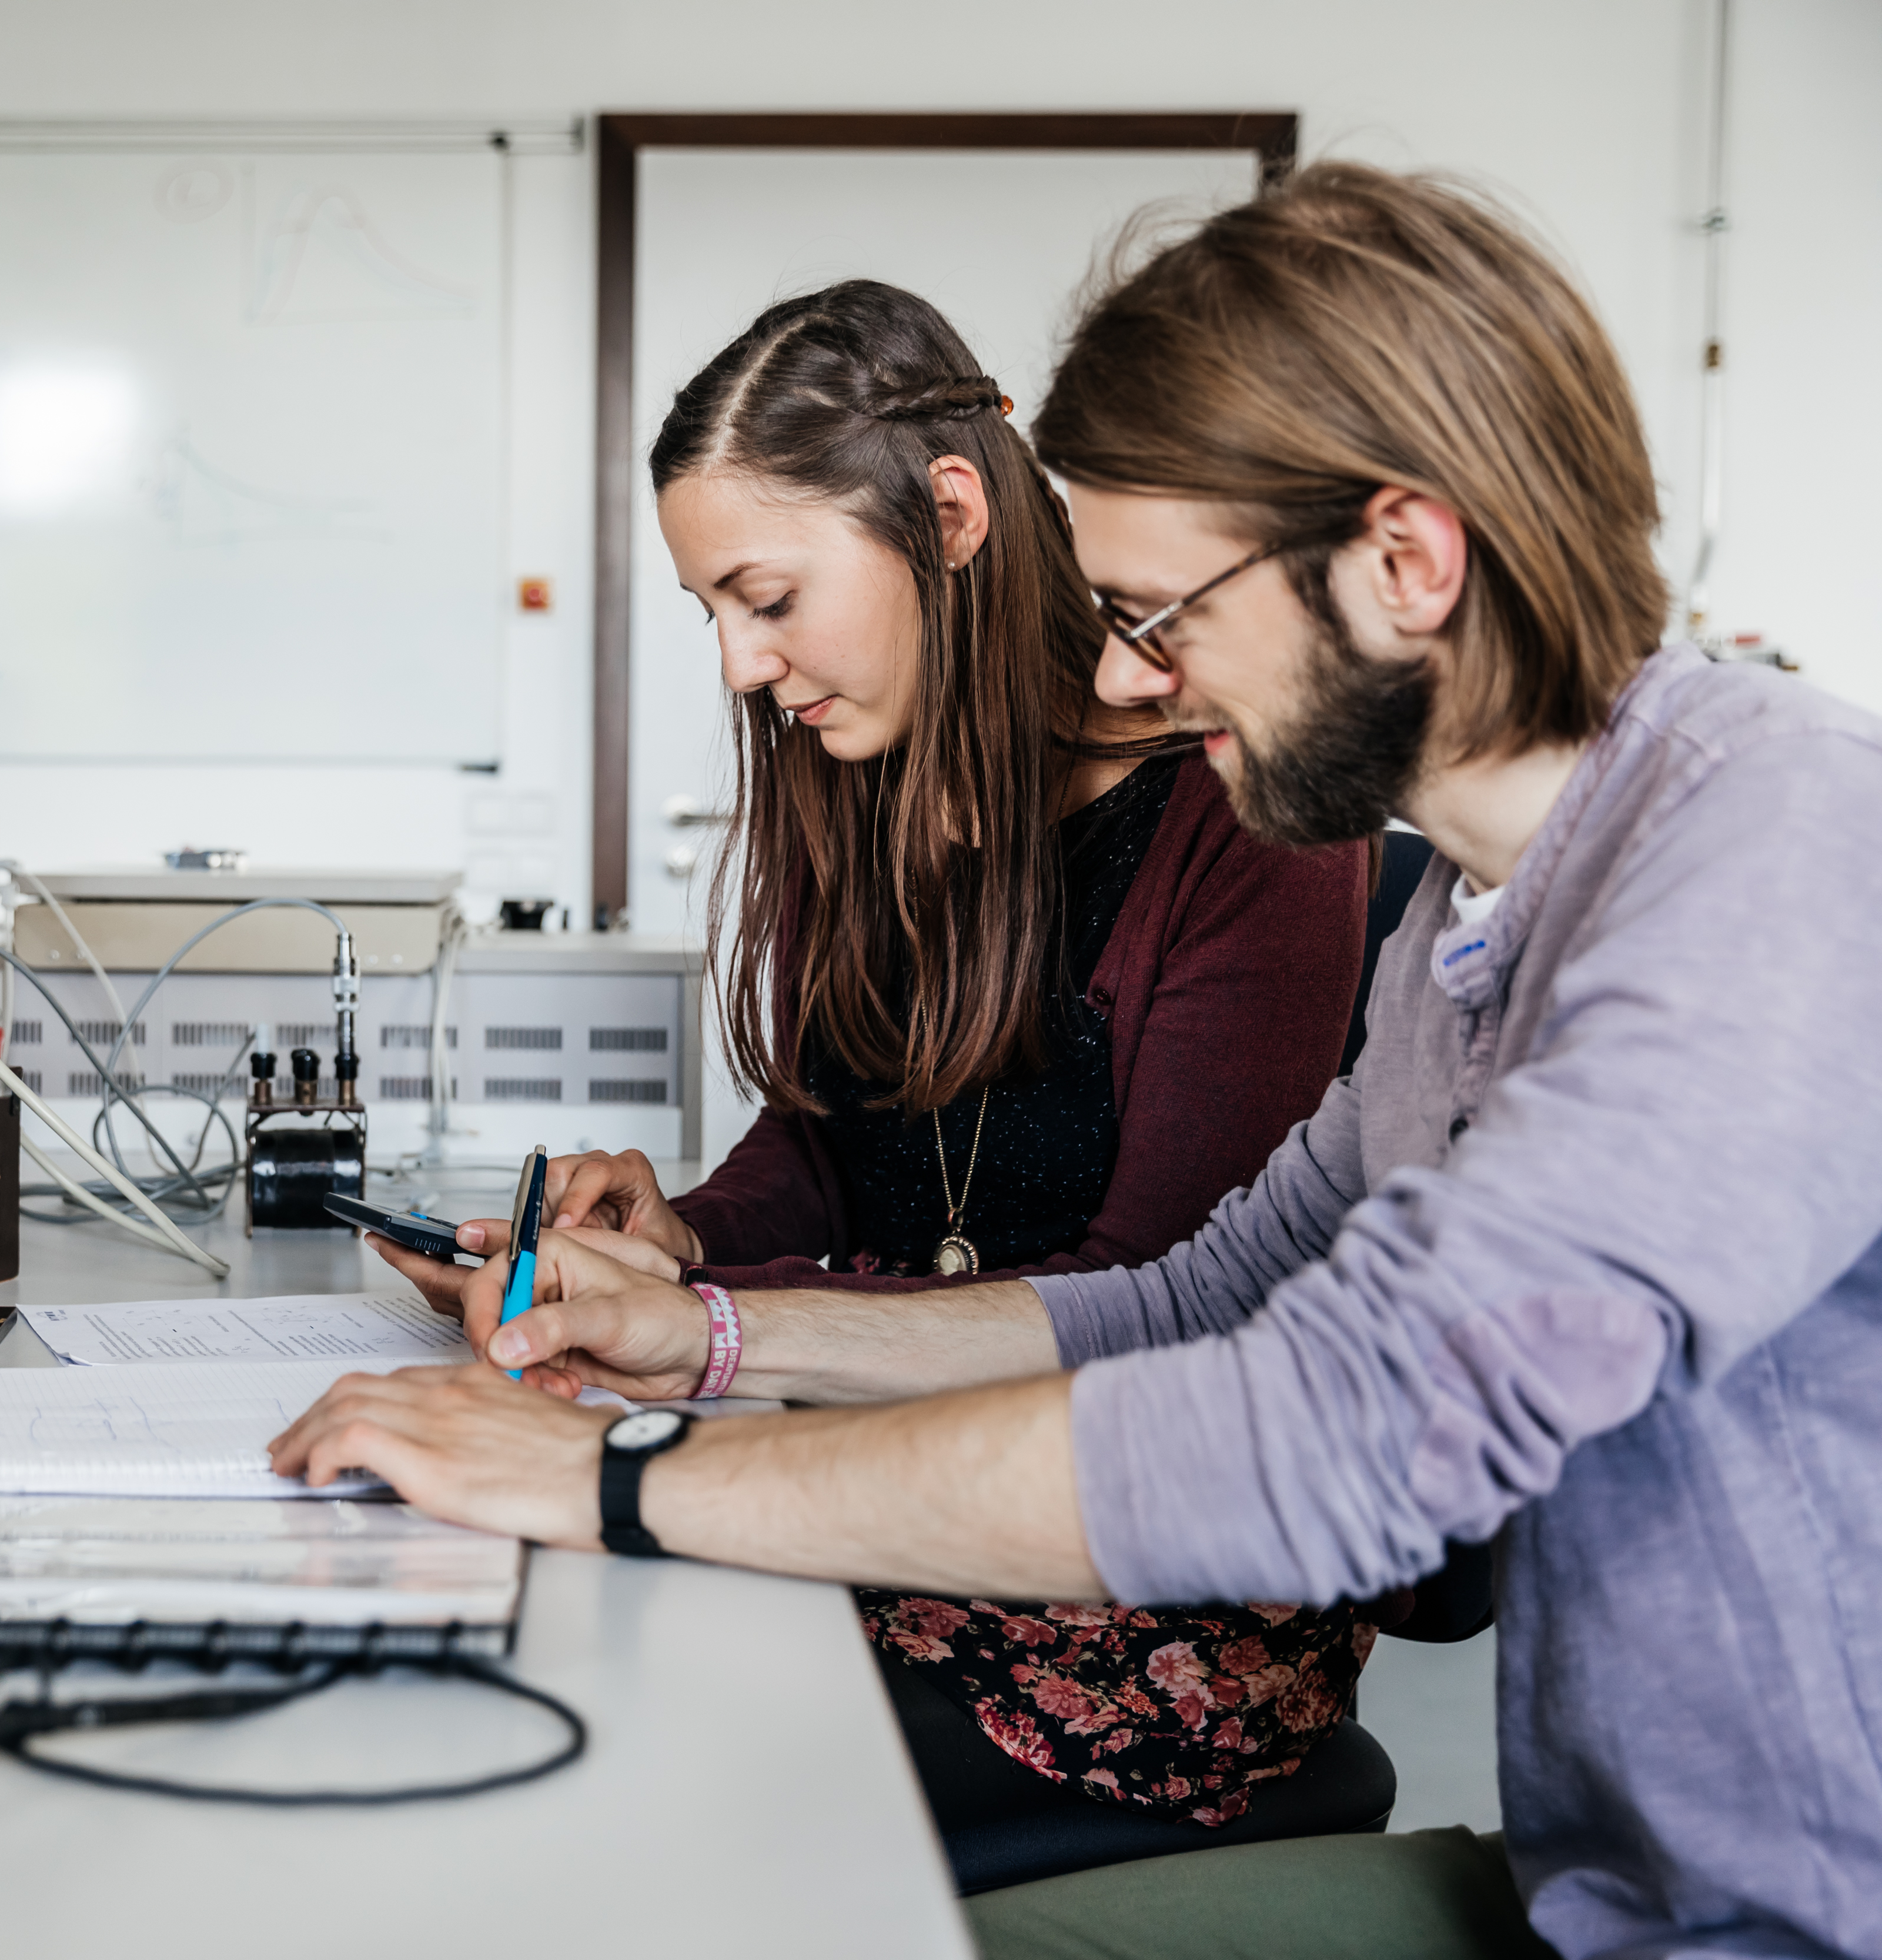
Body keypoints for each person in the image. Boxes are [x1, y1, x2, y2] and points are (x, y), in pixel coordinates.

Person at [278, 159, 1882, 1959]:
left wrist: (611, 1483)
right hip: (1595, 1893)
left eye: (1162, 613)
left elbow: (1340, 1416)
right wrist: (705, 1330)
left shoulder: (1786, 844)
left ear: (1405, 562)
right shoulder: (1468, 935)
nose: (1139, 680)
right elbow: (1201, 1301)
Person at [380, 279, 1375, 1861]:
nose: (738, 663)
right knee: (505, 1639)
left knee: (599, 1759)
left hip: (1128, 1580)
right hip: (865, 1470)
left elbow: (1158, 1308)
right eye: (713, 612)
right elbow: (842, 1140)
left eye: (765, 596)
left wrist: (700, 1335)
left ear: (952, 517)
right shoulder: (875, 770)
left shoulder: (1243, 817)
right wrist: (676, 1240)